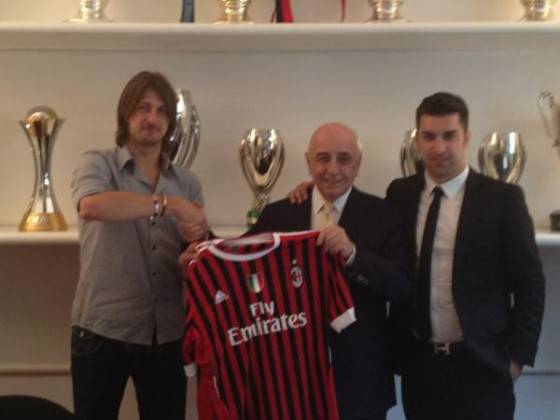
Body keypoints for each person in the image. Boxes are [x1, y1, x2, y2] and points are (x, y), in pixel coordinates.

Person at [181, 122, 409, 420]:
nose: (333, 169)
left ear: (358, 164)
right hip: (288, 380)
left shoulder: (383, 214)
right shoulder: (279, 214)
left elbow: (399, 285)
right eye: (323, 158)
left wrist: (353, 255)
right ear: (308, 162)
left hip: (360, 379)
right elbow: (238, 263)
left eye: (344, 158)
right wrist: (202, 248)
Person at [385, 92, 546, 420]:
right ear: (418, 139)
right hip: (420, 367)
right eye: (428, 136)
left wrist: (516, 358)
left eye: (449, 135)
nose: (438, 147)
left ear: (466, 137)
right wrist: (307, 193)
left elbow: (530, 284)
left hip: (483, 365)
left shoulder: (503, 199)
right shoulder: (400, 194)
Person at [70, 70, 209, 420]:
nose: (152, 118)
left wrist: (192, 255)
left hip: (167, 333)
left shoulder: (187, 182)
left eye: (162, 111)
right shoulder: (97, 163)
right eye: (143, 108)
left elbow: (193, 256)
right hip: (102, 331)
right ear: (125, 113)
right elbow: (92, 206)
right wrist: (169, 205)